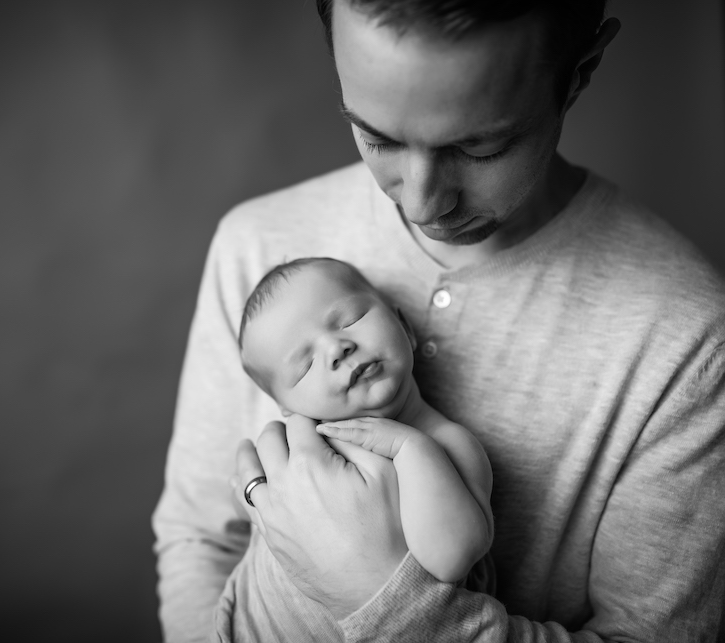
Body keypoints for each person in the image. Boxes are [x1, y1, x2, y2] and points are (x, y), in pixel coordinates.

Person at [152, 0, 725, 641]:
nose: (423, 203)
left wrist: (378, 594)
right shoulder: (257, 245)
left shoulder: (687, 338)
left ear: (579, 72)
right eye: (378, 137)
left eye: (479, 147)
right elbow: (201, 540)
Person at [214, 256, 494, 640]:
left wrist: (410, 447)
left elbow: (453, 555)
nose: (336, 348)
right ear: (289, 408)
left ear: (405, 326)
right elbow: (250, 511)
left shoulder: (447, 445)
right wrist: (252, 496)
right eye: (305, 364)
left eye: (348, 320)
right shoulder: (298, 445)